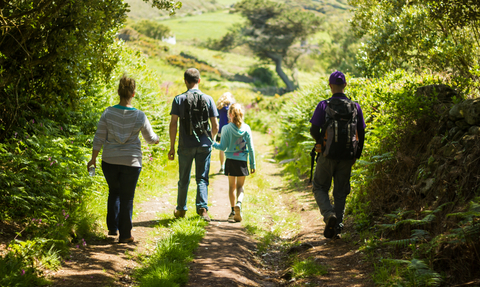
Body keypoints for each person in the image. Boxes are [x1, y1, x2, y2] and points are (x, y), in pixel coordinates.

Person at [87, 75, 160, 243]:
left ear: (118, 92)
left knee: (114, 191)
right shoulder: (140, 116)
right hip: (131, 162)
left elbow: (99, 137)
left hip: (110, 160)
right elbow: (150, 138)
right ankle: (125, 235)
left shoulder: (108, 112)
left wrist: (93, 158)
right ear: (133, 94)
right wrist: (157, 140)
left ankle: (112, 228)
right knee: (127, 196)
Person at [309, 71, 366, 239]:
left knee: (319, 186)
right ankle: (337, 228)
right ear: (345, 86)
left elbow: (313, 129)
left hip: (327, 155)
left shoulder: (323, 105)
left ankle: (329, 215)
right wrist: (357, 154)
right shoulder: (355, 107)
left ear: (330, 86)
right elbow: (361, 133)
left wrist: (321, 142)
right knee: (340, 192)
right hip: (348, 155)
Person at [168, 68, 219, 222]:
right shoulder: (209, 99)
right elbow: (215, 125)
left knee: (183, 178)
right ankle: (202, 209)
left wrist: (171, 146)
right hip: (204, 145)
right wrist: (211, 140)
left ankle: (181, 209)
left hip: (185, 144)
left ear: (185, 81)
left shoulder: (179, 99)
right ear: (199, 80)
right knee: (202, 178)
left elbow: (173, 124)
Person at [213, 103, 255, 222]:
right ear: (241, 114)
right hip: (242, 162)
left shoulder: (226, 128)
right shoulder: (246, 128)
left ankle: (232, 210)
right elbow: (251, 148)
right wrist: (252, 164)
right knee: (241, 187)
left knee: (232, 187)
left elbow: (222, 147)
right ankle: (239, 204)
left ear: (230, 114)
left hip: (230, 161)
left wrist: (213, 144)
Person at [216, 92, 235, 174]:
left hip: (221, 130)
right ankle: (230, 166)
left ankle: (222, 167)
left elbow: (216, 117)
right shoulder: (232, 105)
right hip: (231, 129)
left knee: (221, 148)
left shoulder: (219, 107)